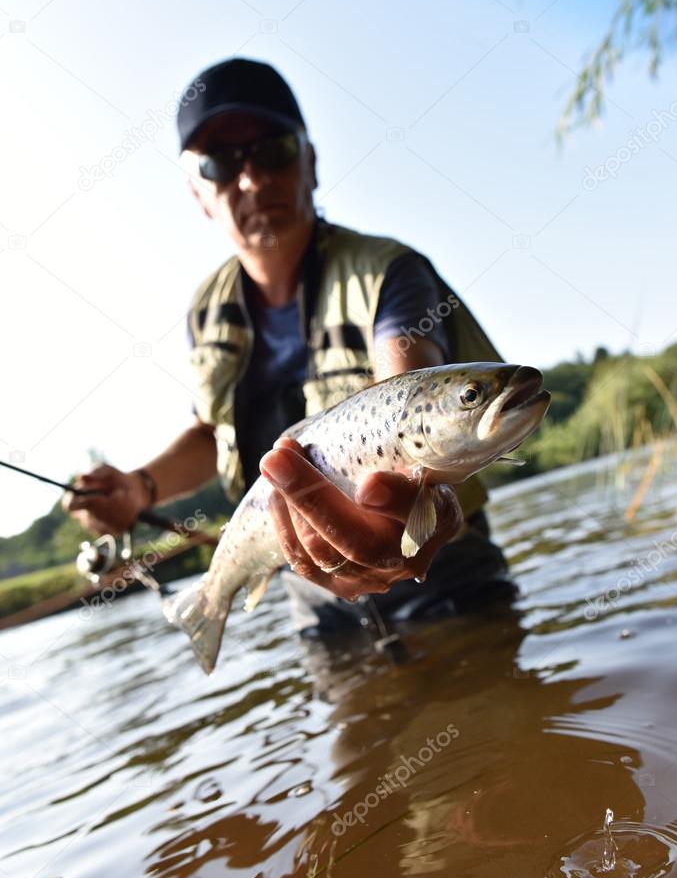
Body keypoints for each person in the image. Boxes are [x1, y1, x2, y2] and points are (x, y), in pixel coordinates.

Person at [64, 57, 512, 637]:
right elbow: (210, 432)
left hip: (448, 577)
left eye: (272, 149)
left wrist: (411, 487)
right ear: (198, 194)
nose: (250, 179)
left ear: (311, 162)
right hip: (313, 599)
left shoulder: (391, 271)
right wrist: (138, 487)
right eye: (220, 162)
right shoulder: (207, 309)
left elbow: (405, 386)